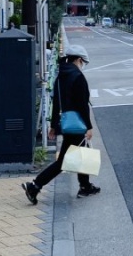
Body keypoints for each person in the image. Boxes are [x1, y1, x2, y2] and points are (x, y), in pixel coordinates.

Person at [22, 44, 100, 204]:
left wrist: (53, 125)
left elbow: (56, 103)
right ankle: (35, 186)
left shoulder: (60, 76)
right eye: (82, 62)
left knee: (81, 154)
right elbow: (82, 104)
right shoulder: (78, 77)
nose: (82, 65)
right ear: (78, 60)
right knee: (63, 162)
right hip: (77, 124)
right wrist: (89, 126)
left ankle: (85, 186)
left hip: (66, 122)